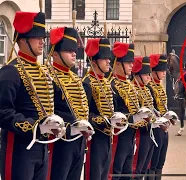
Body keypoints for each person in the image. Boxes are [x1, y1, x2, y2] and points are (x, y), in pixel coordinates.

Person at [0, 11, 65, 180]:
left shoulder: (44, 72)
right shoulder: (10, 72)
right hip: (20, 147)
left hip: (42, 147)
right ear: (22, 40)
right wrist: (35, 126)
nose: (42, 41)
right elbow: (3, 111)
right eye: (37, 37)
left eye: (42, 37)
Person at [46, 27, 94, 180]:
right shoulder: (48, 77)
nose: (74, 53)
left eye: (74, 50)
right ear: (54, 53)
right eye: (68, 50)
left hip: (78, 142)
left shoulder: (75, 79)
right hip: (59, 142)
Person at [109, 42, 152, 180]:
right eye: (128, 62)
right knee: (115, 173)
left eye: (131, 62)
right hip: (118, 137)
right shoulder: (112, 85)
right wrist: (132, 118)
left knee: (127, 174)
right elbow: (112, 113)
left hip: (131, 136)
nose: (131, 65)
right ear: (117, 63)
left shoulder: (129, 85)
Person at [82, 38, 114, 180]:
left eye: (109, 58)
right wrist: (103, 120)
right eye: (104, 59)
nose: (108, 62)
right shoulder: (87, 83)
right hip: (94, 138)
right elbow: (84, 114)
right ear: (94, 61)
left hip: (107, 137)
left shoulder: (106, 82)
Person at [131, 56, 157, 180]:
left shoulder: (146, 89)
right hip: (140, 133)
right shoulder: (133, 89)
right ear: (138, 74)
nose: (149, 77)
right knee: (136, 168)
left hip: (150, 131)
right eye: (146, 74)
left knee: (144, 168)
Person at [147, 54, 171, 180]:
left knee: (160, 161)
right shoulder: (149, 87)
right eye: (161, 70)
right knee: (153, 162)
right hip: (156, 128)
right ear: (154, 71)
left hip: (164, 127)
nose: (164, 73)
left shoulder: (160, 87)